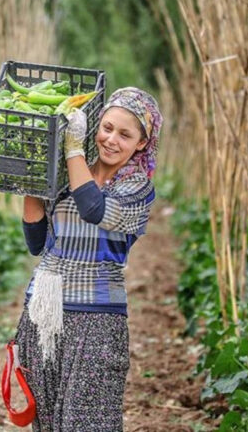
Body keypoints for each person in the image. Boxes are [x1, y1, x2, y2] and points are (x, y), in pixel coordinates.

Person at [15, 87, 163, 431]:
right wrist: (31, 181)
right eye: (107, 128)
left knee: (88, 420)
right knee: (47, 420)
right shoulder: (66, 174)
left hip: (97, 319)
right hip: (44, 313)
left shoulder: (136, 188)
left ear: (141, 143)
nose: (111, 140)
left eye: (125, 135)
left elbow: (93, 208)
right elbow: (37, 244)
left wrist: (71, 149)